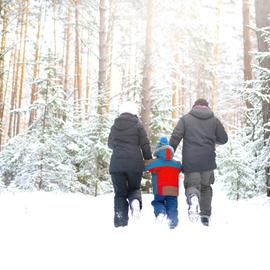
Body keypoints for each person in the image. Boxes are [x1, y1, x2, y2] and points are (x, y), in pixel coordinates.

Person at [169, 98, 228, 226]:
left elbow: (176, 137)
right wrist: (212, 140)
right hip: (208, 161)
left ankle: (193, 198)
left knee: (192, 186)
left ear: (194, 106)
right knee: (206, 187)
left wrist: (168, 153)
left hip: (191, 162)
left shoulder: (186, 119)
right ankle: (205, 216)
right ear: (207, 107)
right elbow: (223, 139)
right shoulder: (214, 120)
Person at [108, 101, 152, 228]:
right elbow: (145, 144)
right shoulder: (138, 125)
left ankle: (120, 222)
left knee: (120, 193)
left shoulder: (115, 126)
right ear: (134, 112)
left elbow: (110, 144)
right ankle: (135, 201)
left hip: (117, 164)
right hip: (134, 163)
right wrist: (148, 158)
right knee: (134, 189)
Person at [145, 137, 182, 229]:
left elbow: (145, 167)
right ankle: (172, 222)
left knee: (157, 202)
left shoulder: (156, 162)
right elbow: (181, 168)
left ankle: (160, 212)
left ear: (158, 150)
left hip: (160, 189)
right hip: (173, 190)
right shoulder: (176, 164)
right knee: (172, 206)